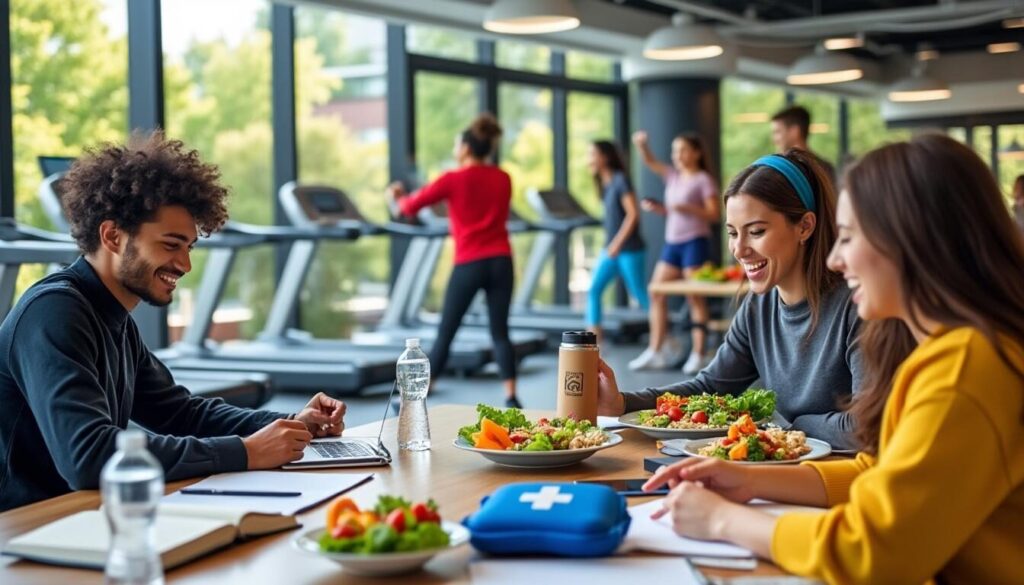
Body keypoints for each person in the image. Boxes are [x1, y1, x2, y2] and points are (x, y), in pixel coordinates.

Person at [644, 135, 1024, 585]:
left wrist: (723, 521)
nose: (837, 259)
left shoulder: (965, 370)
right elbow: (877, 469)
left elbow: (872, 552)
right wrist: (749, 479)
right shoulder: (955, 351)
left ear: (910, 240)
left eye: (846, 237)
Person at [0, 132, 346, 513]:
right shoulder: (55, 312)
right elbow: (88, 457)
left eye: (189, 247)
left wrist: (291, 422)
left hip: (77, 516)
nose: (185, 264)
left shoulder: (111, 317)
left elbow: (179, 414)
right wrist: (245, 452)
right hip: (21, 530)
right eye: (170, 244)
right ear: (113, 236)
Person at [597, 149, 863, 450]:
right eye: (733, 233)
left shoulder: (857, 306)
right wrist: (621, 403)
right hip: (786, 468)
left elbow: (867, 426)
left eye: (756, 232)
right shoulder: (758, 306)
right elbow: (710, 387)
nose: (739, 249)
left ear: (805, 226)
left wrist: (787, 426)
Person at [388, 113, 520, 408]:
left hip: (469, 261)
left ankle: (416, 397)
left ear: (466, 148)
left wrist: (396, 196)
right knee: (500, 331)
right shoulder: (503, 178)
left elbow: (409, 207)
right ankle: (511, 395)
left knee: (447, 330)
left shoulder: (453, 179)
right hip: (501, 259)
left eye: (456, 145)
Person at [628, 130, 720, 374]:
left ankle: (699, 354)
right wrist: (642, 144)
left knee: (694, 297)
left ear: (696, 153)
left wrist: (688, 208)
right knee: (656, 292)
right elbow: (650, 162)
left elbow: (714, 214)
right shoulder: (673, 177)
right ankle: (656, 349)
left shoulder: (703, 179)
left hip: (695, 242)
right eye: (674, 151)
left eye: (683, 150)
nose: (677, 155)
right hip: (673, 243)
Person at [586, 140, 649, 344]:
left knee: (640, 294)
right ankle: (592, 344)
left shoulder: (621, 180)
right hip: (611, 250)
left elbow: (633, 214)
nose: (590, 159)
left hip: (629, 249)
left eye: (593, 154)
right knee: (594, 290)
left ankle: (665, 337)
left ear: (605, 157)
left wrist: (617, 243)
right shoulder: (604, 183)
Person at [771, 106, 836, 184]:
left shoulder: (781, 168)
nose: (774, 140)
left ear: (795, 131)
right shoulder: (826, 168)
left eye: (778, 132)